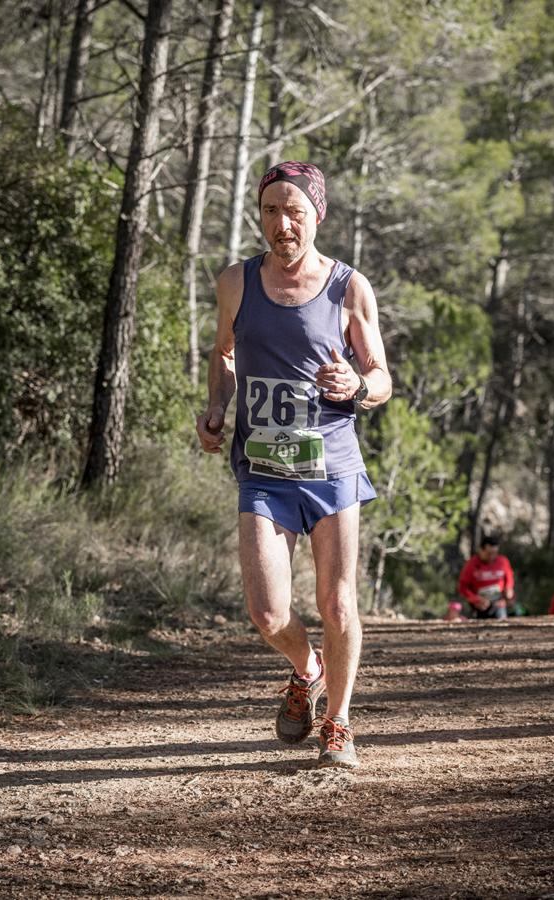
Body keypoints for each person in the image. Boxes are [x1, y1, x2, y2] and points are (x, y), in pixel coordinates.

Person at [195, 161, 391, 769]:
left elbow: (382, 378)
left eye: (295, 212)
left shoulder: (348, 287)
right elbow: (224, 354)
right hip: (261, 469)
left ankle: (339, 722)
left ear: (317, 216)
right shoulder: (236, 283)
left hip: (330, 466)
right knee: (267, 611)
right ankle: (307, 670)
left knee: (337, 605)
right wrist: (216, 405)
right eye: (272, 212)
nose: (283, 225)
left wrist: (357, 385)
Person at [457, 536, 515, 620]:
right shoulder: (472, 564)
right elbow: (463, 587)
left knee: (501, 624)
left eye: (495, 553)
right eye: (489, 553)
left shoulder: (503, 561)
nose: (492, 556)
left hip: (498, 603)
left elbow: (509, 580)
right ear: (481, 550)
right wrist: (475, 599)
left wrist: (508, 592)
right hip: (479, 605)